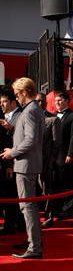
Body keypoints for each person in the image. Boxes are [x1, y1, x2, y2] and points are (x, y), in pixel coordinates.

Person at [0, 78, 45, 259]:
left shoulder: (30, 111)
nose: (16, 98)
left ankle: (34, 247)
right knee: (28, 206)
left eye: (17, 94)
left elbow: (31, 140)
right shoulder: (33, 110)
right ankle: (32, 242)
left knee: (27, 206)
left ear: (24, 92)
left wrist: (13, 152)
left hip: (25, 164)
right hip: (27, 163)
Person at [0, 90, 25, 235]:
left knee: (15, 195)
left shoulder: (19, 116)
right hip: (5, 162)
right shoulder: (4, 116)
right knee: (8, 194)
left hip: (15, 162)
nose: (1, 104)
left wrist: (11, 129)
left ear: (13, 102)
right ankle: (11, 223)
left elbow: (20, 139)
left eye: (4, 101)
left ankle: (18, 224)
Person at [36, 93, 63, 229]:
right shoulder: (32, 118)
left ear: (46, 102)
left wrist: (52, 161)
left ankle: (48, 217)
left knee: (47, 191)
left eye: (42, 101)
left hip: (46, 162)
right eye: (38, 101)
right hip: (32, 162)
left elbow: (57, 143)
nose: (40, 103)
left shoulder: (53, 120)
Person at [54, 91, 73, 220]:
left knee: (67, 184)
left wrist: (70, 153)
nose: (57, 102)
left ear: (67, 101)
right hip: (53, 157)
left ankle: (67, 210)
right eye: (56, 100)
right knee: (56, 184)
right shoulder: (52, 116)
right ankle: (57, 209)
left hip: (65, 156)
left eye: (60, 100)